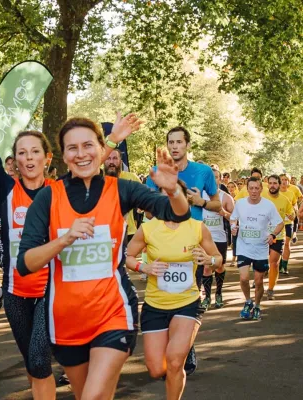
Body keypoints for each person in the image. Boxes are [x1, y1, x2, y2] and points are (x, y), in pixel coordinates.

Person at [0, 89, 142, 399]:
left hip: (52, 290)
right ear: (15, 160)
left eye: (35, 152)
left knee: (38, 358)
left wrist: (111, 141)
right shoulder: (5, 187)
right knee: (35, 368)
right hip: (16, 292)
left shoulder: (58, 190)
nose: (28, 158)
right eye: (22, 152)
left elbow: (85, 162)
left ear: (48, 158)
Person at [17, 118, 190, 400]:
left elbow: (176, 213)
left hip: (112, 313)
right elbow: (25, 263)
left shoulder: (120, 189)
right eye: (72, 148)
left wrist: (173, 191)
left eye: (88, 145)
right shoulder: (49, 197)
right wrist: (63, 239)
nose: (81, 153)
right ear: (63, 155)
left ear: (102, 149)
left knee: (93, 397)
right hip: (65, 321)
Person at [126, 179, 222, 400]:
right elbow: (128, 257)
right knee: (156, 368)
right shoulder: (148, 228)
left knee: (175, 361)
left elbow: (219, 260)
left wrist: (209, 259)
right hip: (155, 304)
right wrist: (145, 267)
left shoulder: (196, 227)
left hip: (187, 303)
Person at [145, 127, 219, 371]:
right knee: (165, 294)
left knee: (188, 295)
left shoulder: (203, 171)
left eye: (179, 142)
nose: (174, 146)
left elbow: (219, 204)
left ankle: (185, 348)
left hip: (192, 241)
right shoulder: (156, 173)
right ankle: (171, 344)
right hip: (162, 241)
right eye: (170, 142)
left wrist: (201, 202)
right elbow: (145, 209)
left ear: (187, 145)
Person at [231, 177, 284, 320]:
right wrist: (233, 227)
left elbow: (280, 224)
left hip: (260, 248)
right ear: (247, 189)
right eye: (251, 188)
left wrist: (272, 235)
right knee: (243, 278)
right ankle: (248, 301)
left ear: (261, 189)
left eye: (256, 188)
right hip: (243, 246)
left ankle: (258, 305)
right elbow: (233, 218)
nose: (254, 191)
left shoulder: (268, 206)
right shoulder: (240, 203)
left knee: (259, 280)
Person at [200, 168, 233, 310]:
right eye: (210, 177)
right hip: (202, 237)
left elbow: (235, 217)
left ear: (220, 179)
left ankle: (219, 293)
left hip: (219, 237)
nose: (213, 180)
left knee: (219, 266)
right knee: (206, 267)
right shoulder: (198, 195)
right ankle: (207, 297)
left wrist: (223, 212)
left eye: (216, 177)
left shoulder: (225, 197)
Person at [260, 175, 294, 300]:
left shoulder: (285, 200)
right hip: (262, 235)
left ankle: (270, 289)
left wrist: (291, 216)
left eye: (275, 183)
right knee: (261, 262)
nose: (273, 185)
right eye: (270, 183)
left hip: (278, 235)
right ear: (267, 184)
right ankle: (260, 277)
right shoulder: (262, 198)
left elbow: (292, 214)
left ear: (279, 185)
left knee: (273, 263)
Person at [104, 149, 141, 243]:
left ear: (120, 161)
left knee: (128, 257)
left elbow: (144, 200)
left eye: (115, 158)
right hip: (104, 232)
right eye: (108, 158)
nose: (111, 162)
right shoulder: (97, 180)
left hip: (128, 231)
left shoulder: (131, 178)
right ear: (103, 160)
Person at [279, 173, 301, 274]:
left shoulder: (291, 193)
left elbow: (295, 206)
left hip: (288, 222)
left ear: (288, 182)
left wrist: (294, 213)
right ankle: (276, 265)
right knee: (277, 245)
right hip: (277, 223)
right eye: (282, 179)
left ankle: (284, 266)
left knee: (287, 244)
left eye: (286, 180)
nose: (284, 181)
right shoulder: (274, 193)